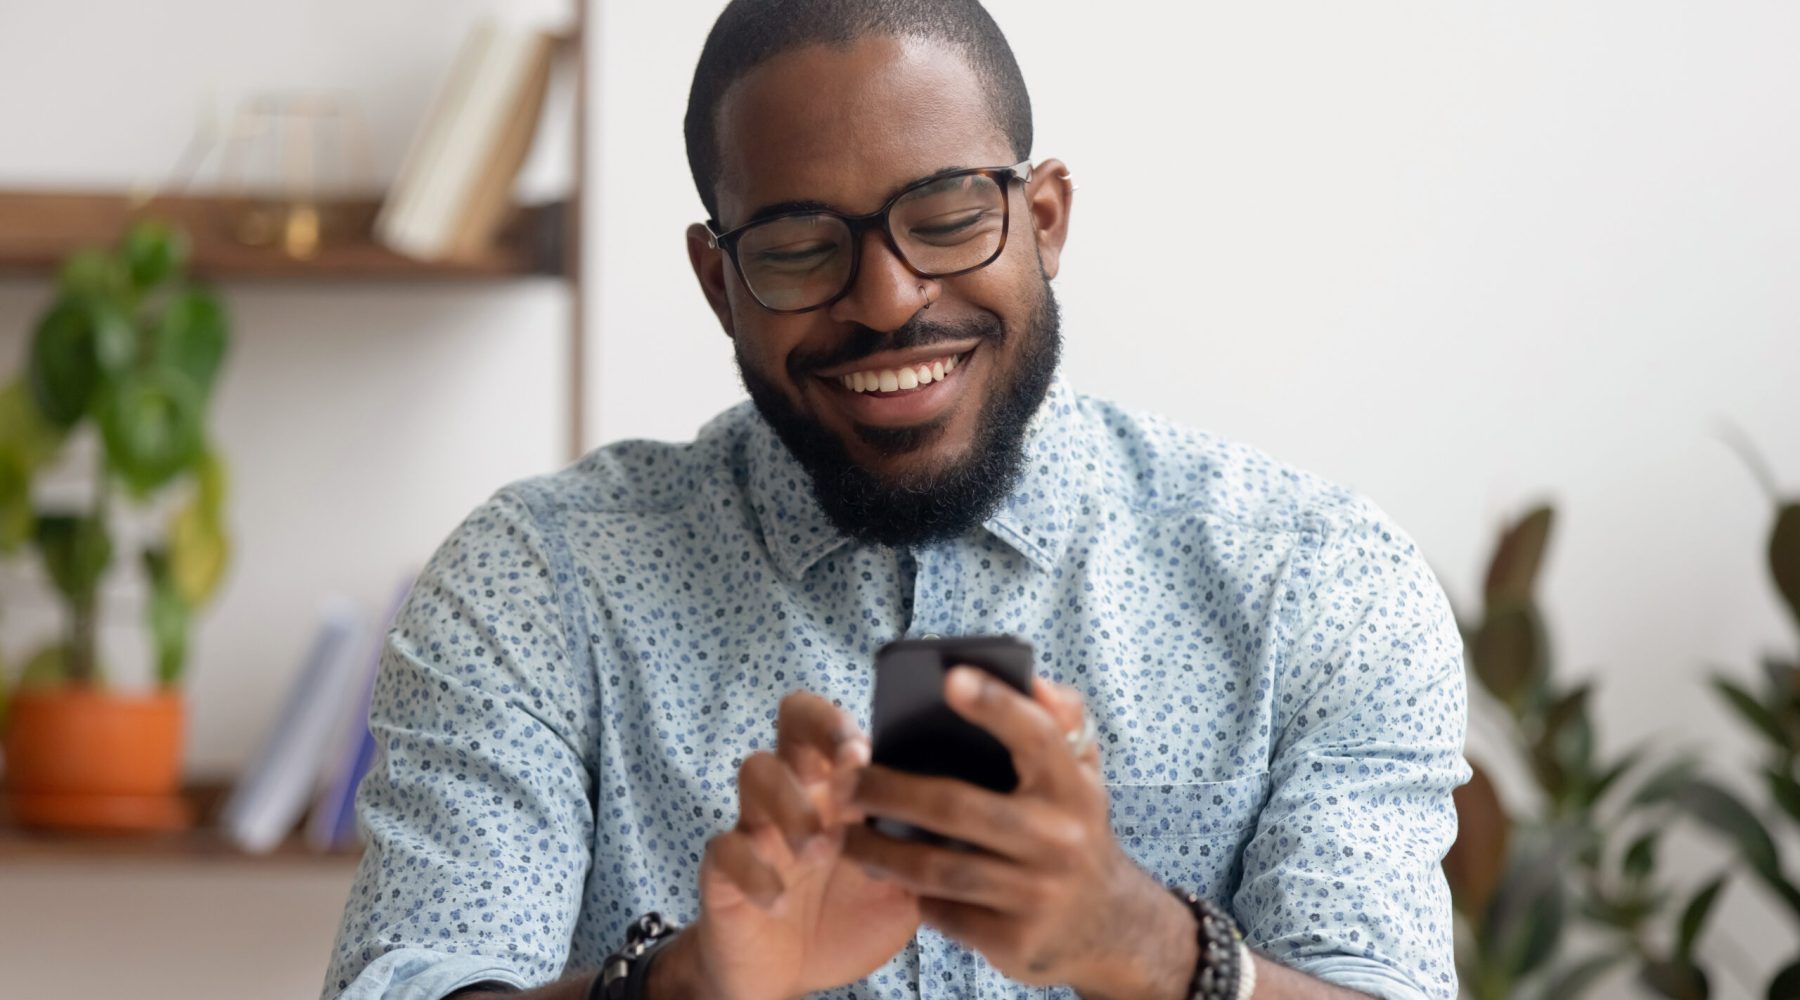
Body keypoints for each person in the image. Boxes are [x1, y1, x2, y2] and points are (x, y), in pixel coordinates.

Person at [320, 2, 1472, 998]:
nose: (886, 298)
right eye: (798, 245)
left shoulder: (1318, 583)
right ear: (720, 284)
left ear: (1047, 219)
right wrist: (683, 985)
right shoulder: (537, 587)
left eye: (950, 213)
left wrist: (1143, 943)